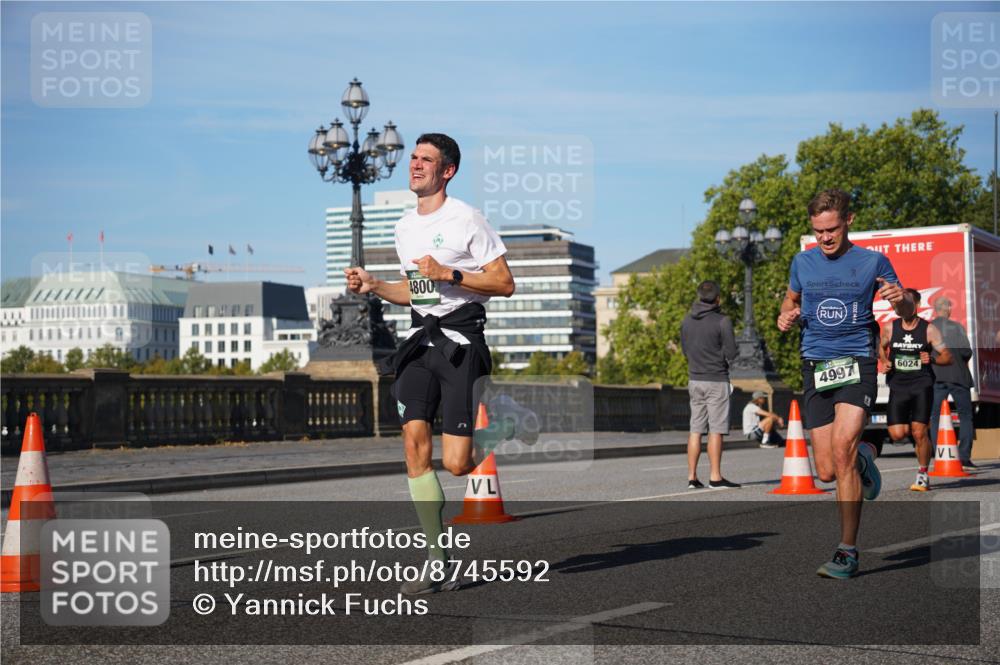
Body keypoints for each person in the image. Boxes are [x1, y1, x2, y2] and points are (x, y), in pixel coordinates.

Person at [345, 133, 515, 594]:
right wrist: (375, 285)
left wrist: (450, 273)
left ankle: (501, 431)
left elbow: (504, 283)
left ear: (447, 171)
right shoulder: (405, 227)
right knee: (414, 446)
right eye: (414, 157)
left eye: (426, 160)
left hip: (461, 342)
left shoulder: (467, 219)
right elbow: (416, 293)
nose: (415, 164)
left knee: (458, 465)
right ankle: (437, 562)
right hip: (421, 342)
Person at [777, 188, 912, 579]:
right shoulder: (802, 263)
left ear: (849, 221)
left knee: (841, 448)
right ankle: (865, 457)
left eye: (832, 229)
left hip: (857, 361)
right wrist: (785, 317)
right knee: (826, 472)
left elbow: (906, 309)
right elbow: (789, 304)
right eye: (818, 231)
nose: (825, 237)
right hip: (816, 365)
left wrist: (899, 299)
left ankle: (847, 551)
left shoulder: (873, 262)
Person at [879, 288, 952, 491]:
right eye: (898, 304)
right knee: (897, 434)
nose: (901, 307)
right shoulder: (889, 328)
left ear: (916, 306)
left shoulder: (929, 330)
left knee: (919, 432)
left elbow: (948, 356)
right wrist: (884, 361)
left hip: (922, 385)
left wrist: (933, 358)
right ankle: (920, 441)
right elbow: (881, 346)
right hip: (898, 385)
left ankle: (922, 473)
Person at [680, 280, 740, 489]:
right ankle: (715, 476)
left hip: (694, 379)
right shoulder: (723, 321)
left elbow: (685, 350)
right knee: (716, 429)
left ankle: (692, 477)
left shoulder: (687, 320)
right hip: (716, 379)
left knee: (695, 429)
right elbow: (732, 353)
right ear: (718, 298)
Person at [928, 296, 976, 469]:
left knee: (935, 417)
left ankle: (940, 454)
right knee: (965, 416)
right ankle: (964, 457)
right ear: (948, 308)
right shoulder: (956, 327)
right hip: (958, 377)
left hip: (936, 378)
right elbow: (966, 352)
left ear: (935, 310)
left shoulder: (928, 328)